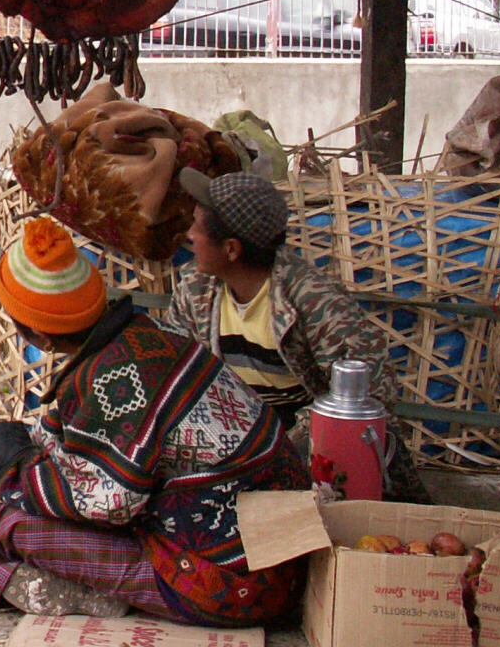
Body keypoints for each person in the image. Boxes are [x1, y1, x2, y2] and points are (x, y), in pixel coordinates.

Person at [0, 217, 310, 624]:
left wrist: (5, 461)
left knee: (1, 532)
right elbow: (82, 437)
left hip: (236, 583)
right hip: (281, 553)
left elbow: (106, 504)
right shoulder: (146, 337)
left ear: (37, 334)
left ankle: (80, 595)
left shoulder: (114, 378)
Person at [162, 169, 428, 502]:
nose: (189, 235)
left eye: (198, 227)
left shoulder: (313, 300)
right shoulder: (196, 290)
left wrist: (281, 446)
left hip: (307, 444)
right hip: (235, 435)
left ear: (231, 249)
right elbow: (172, 368)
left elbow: (373, 391)